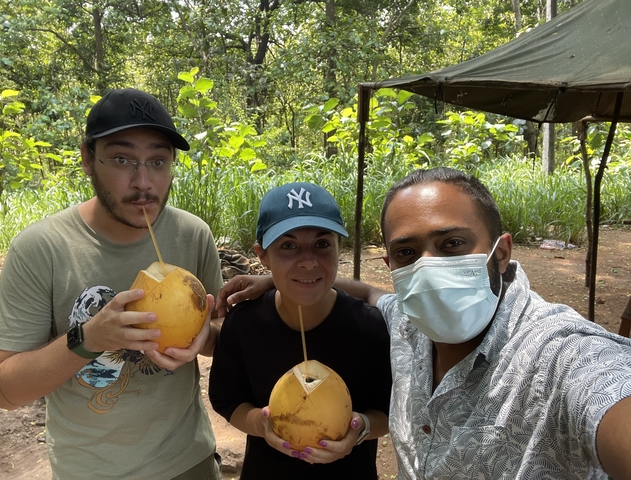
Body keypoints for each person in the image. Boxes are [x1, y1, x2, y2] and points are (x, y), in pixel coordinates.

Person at [216, 167, 631, 480]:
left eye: (451, 244)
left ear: (501, 252)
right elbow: (367, 291)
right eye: (408, 252)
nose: (430, 270)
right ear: (391, 264)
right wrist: (280, 280)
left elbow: (607, 393)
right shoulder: (405, 323)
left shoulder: (560, 355)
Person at [0, 88, 224, 480]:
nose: (143, 182)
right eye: (122, 159)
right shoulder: (40, 249)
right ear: (87, 158)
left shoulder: (192, 235)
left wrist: (205, 337)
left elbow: (218, 334)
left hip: (189, 461)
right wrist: (90, 338)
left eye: (158, 161)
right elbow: (2, 392)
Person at [208, 182, 392, 480]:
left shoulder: (370, 328)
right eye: (288, 246)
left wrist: (360, 428)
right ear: (262, 256)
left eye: (322, 244)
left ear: (337, 248)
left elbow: (388, 412)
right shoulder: (243, 323)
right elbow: (228, 400)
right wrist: (262, 424)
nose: (308, 260)